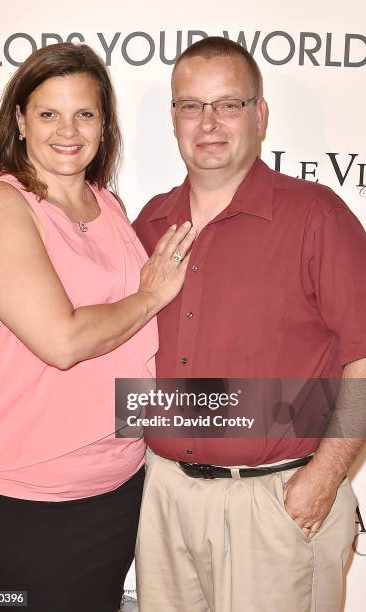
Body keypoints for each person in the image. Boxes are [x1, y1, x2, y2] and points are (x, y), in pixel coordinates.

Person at [0, 42, 195, 612]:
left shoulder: (107, 203)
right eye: (48, 114)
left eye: (84, 113)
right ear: (18, 120)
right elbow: (61, 341)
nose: (68, 130)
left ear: (104, 123)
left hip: (114, 482)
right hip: (22, 491)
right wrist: (151, 294)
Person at [133, 37, 366, 612]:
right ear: (174, 119)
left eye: (228, 104)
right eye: (191, 105)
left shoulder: (317, 214)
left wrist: (324, 477)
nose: (208, 122)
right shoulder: (149, 222)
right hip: (163, 492)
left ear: (259, 115)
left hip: (276, 497)